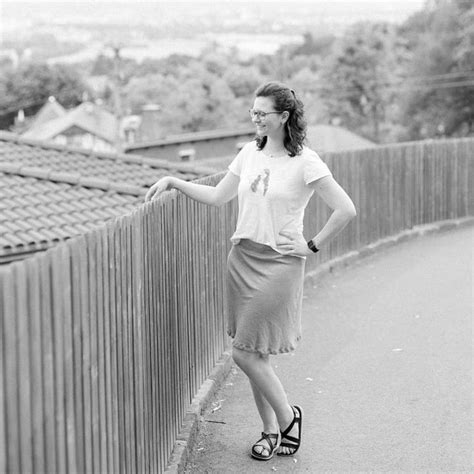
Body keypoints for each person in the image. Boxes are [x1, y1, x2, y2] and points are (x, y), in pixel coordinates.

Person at [145, 81, 356, 461]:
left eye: (262, 113)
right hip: (242, 260)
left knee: (243, 353)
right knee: (257, 352)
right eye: (253, 112)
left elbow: (345, 209)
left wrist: (312, 244)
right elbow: (217, 196)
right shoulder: (248, 153)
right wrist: (175, 181)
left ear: (284, 117)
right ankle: (269, 433)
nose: (255, 118)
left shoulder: (305, 161)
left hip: (279, 264)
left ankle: (289, 418)